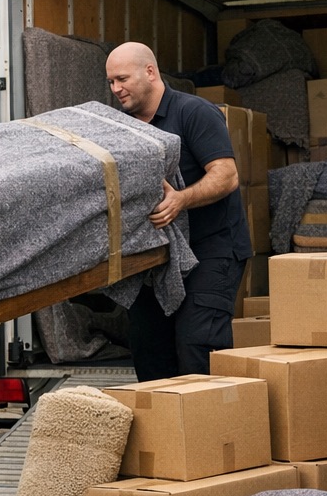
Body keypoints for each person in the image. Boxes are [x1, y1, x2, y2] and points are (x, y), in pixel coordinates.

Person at [105, 42, 250, 379]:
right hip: (155, 260)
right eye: (111, 82)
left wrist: (179, 200)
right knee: (148, 353)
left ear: (150, 72)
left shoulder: (194, 113)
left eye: (122, 79)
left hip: (211, 251)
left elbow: (226, 176)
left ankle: (211, 432)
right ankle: (166, 431)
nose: (116, 89)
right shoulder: (120, 128)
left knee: (196, 348)